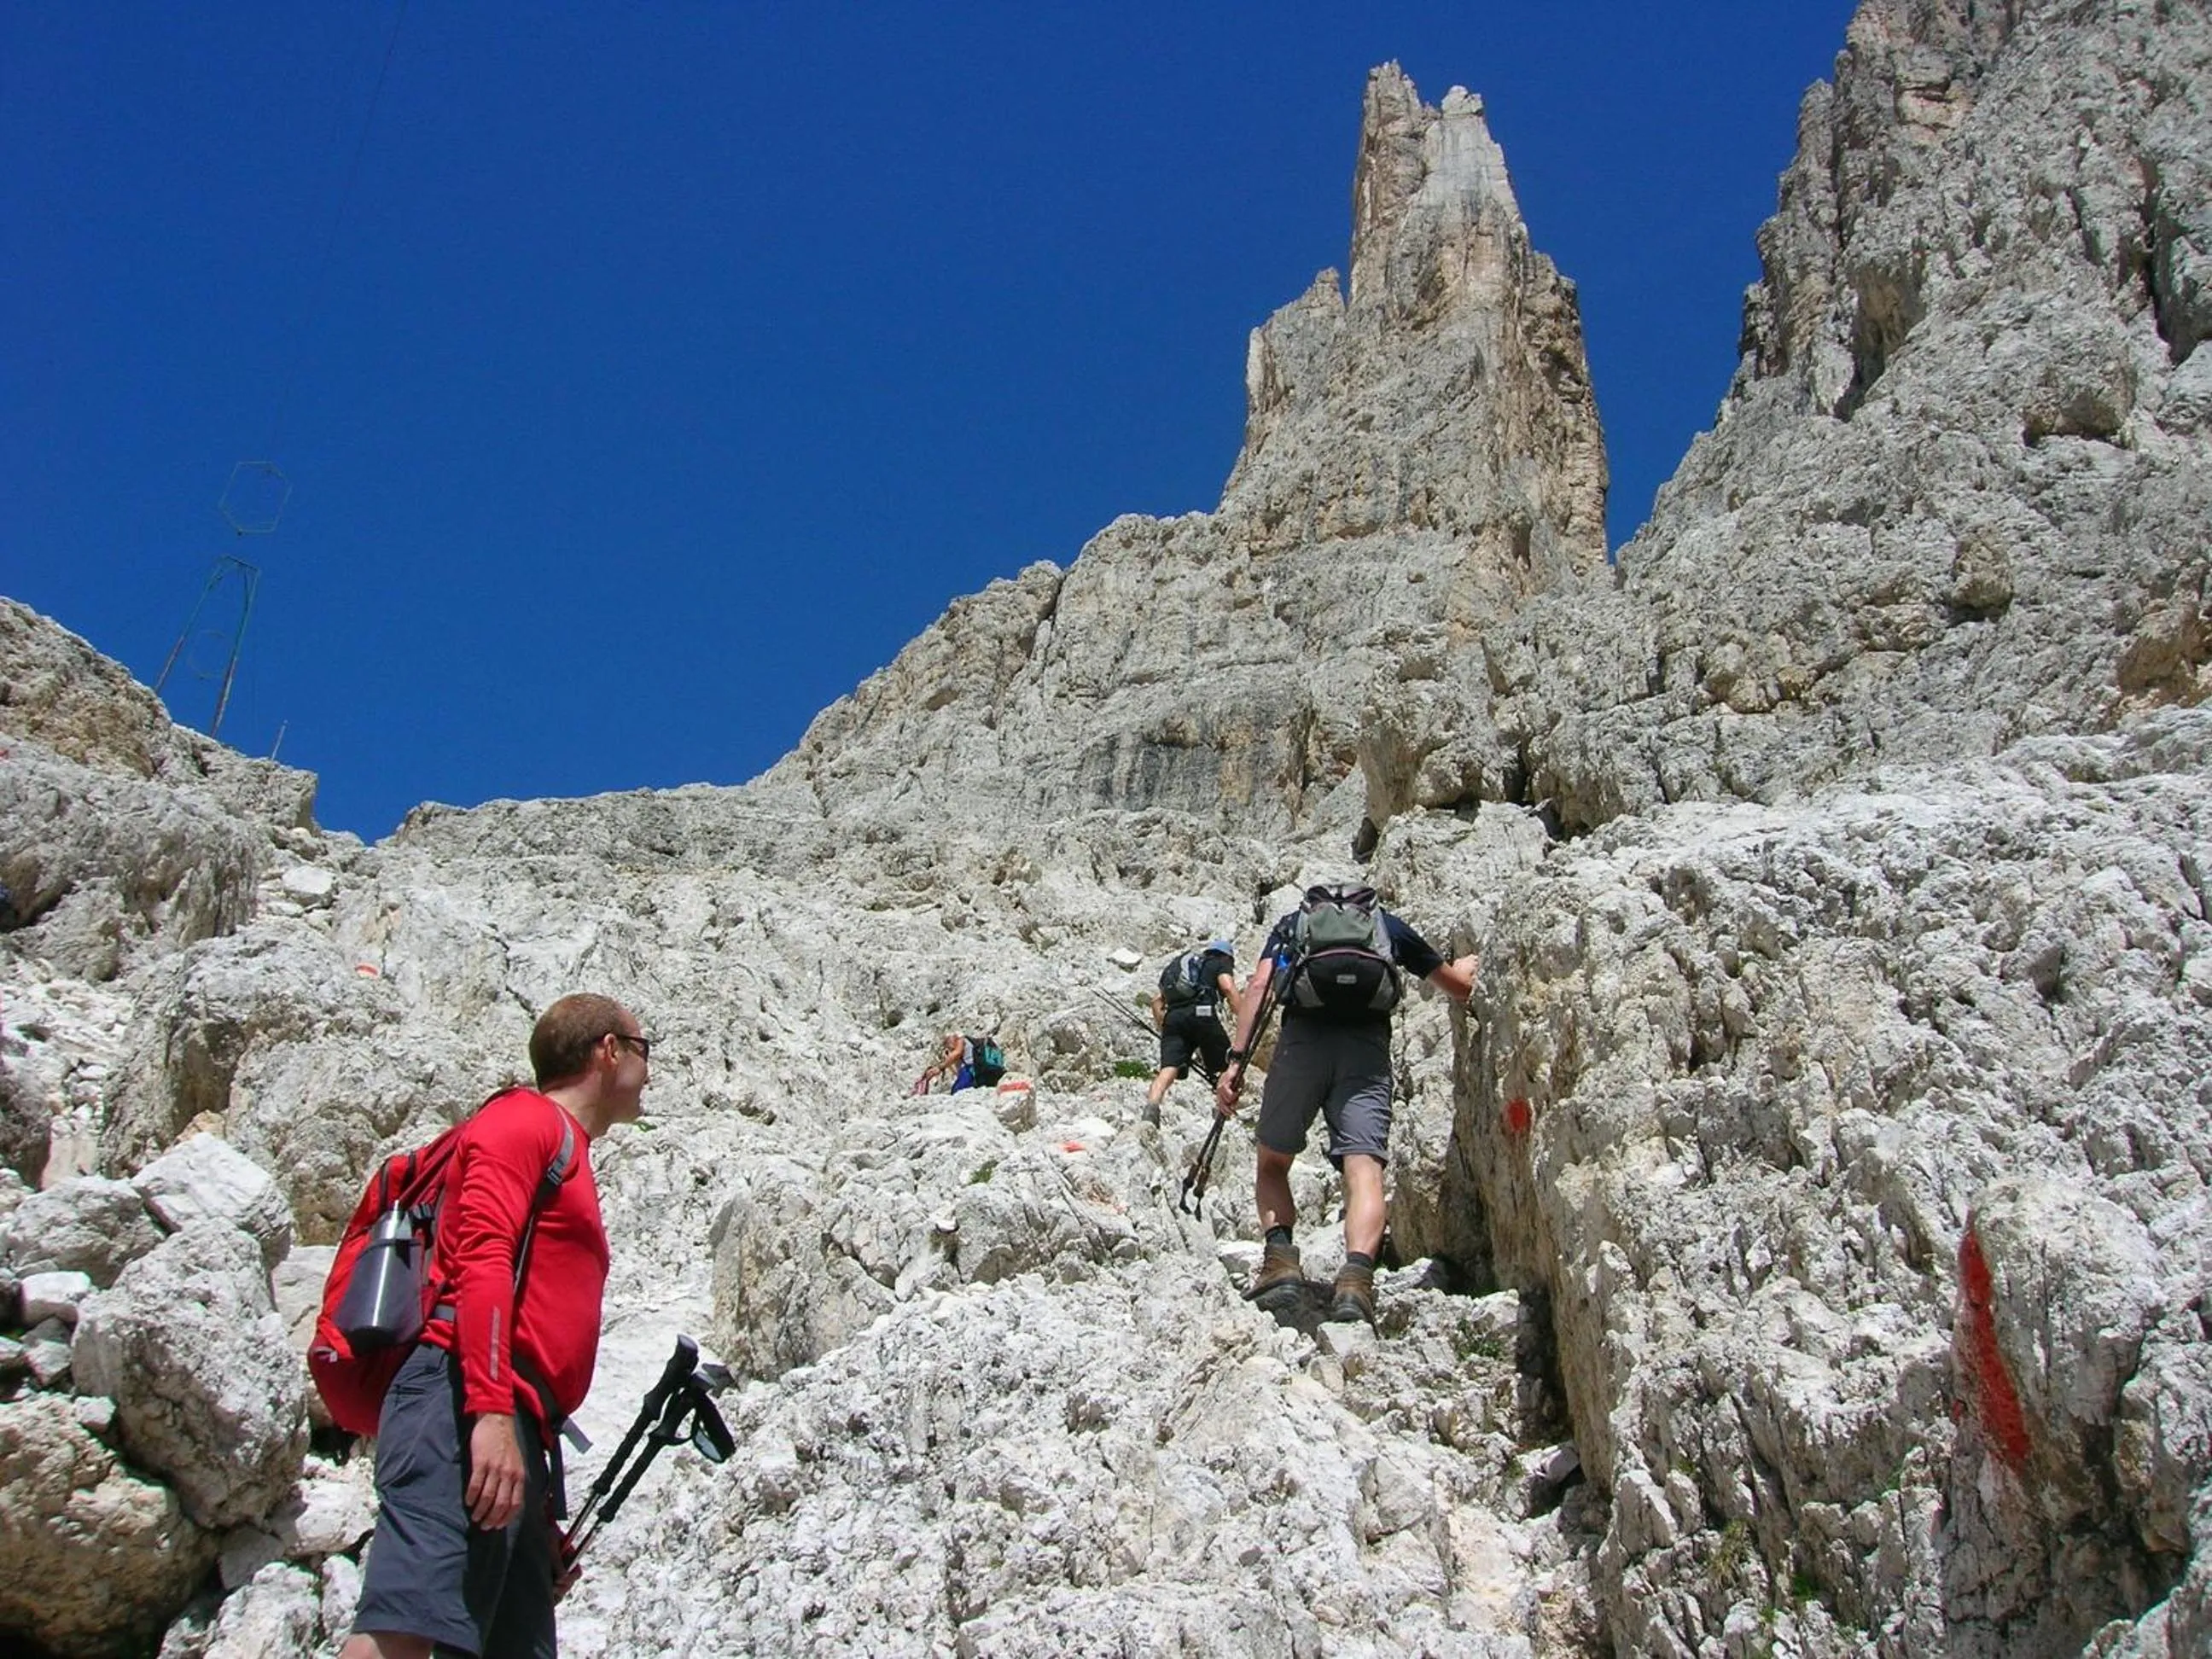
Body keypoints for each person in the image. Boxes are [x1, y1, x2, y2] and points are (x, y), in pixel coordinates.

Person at [343, 993, 650, 1659]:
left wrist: (536, 1517)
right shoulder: (523, 1122)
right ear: (609, 1050)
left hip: (504, 1417)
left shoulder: (564, 1146)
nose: (649, 1072)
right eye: (643, 1050)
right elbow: (480, 1260)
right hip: (460, 1400)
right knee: (403, 1629)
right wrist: (487, 1414)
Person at [1214, 887, 1476, 1327]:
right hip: (1366, 1049)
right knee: (1364, 1167)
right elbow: (1457, 986)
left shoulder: (1292, 927)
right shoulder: (1386, 926)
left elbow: (1259, 987)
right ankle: (1355, 1281)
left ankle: (1280, 1261)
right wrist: (1464, 970)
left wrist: (1236, 1063)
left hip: (1302, 1045)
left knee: (1273, 1163)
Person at [1144, 939, 1240, 1126]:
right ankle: (1224, 1113)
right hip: (1203, 1015)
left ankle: (1151, 1107)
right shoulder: (1218, 963)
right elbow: (1228, 988)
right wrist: (1244, 1016)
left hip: (1173, 1019)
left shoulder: (1183, 969)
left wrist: (1165, 1028)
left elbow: (1156, 1002)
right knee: (1228, 1068)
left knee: (1168, 1069)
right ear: (1226, 957)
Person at [912, 1031, 1002, 1094]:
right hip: (978, 1072)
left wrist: (940, 1067)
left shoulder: (960, 1039)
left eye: (946, 1042)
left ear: (952, 1038)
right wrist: (949, 1063)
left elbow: (957, 1053)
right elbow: (958, 1073)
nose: (947, 1045)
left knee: (957, 1092)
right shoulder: (966, 1048)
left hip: (971, 1070)